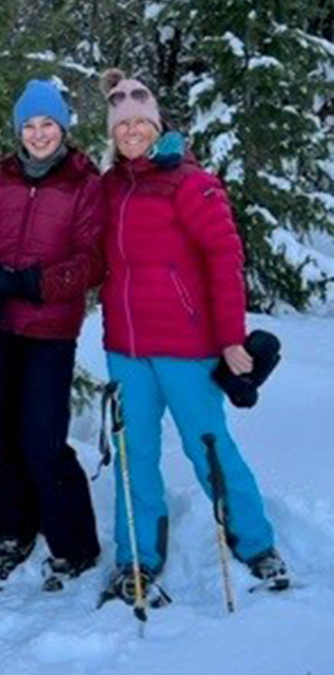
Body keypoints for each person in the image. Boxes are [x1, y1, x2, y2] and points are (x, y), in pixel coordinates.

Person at [97, 68, 288, 605]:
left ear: (156, 125)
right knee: (133, 452)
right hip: (127, 350)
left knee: (208, 445)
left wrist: (232, 338)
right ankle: (136, 560)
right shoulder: (110, 186)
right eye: (121, 124)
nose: (131, 131)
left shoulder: (190, 181)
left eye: (140, 122)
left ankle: (256, 544)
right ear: (112, 132)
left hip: (186, 347)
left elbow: (225, 258)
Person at [0, 78, 103, 591]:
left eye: (48, 124)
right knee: (0, 438)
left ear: (62, 128)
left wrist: (32, 282)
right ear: (19, 130)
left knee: (42, 440)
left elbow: (91, 261)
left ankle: (74, 541)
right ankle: (13, 530)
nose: (38, 134)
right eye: (30, 125)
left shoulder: (84, 185)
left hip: (49, 331)